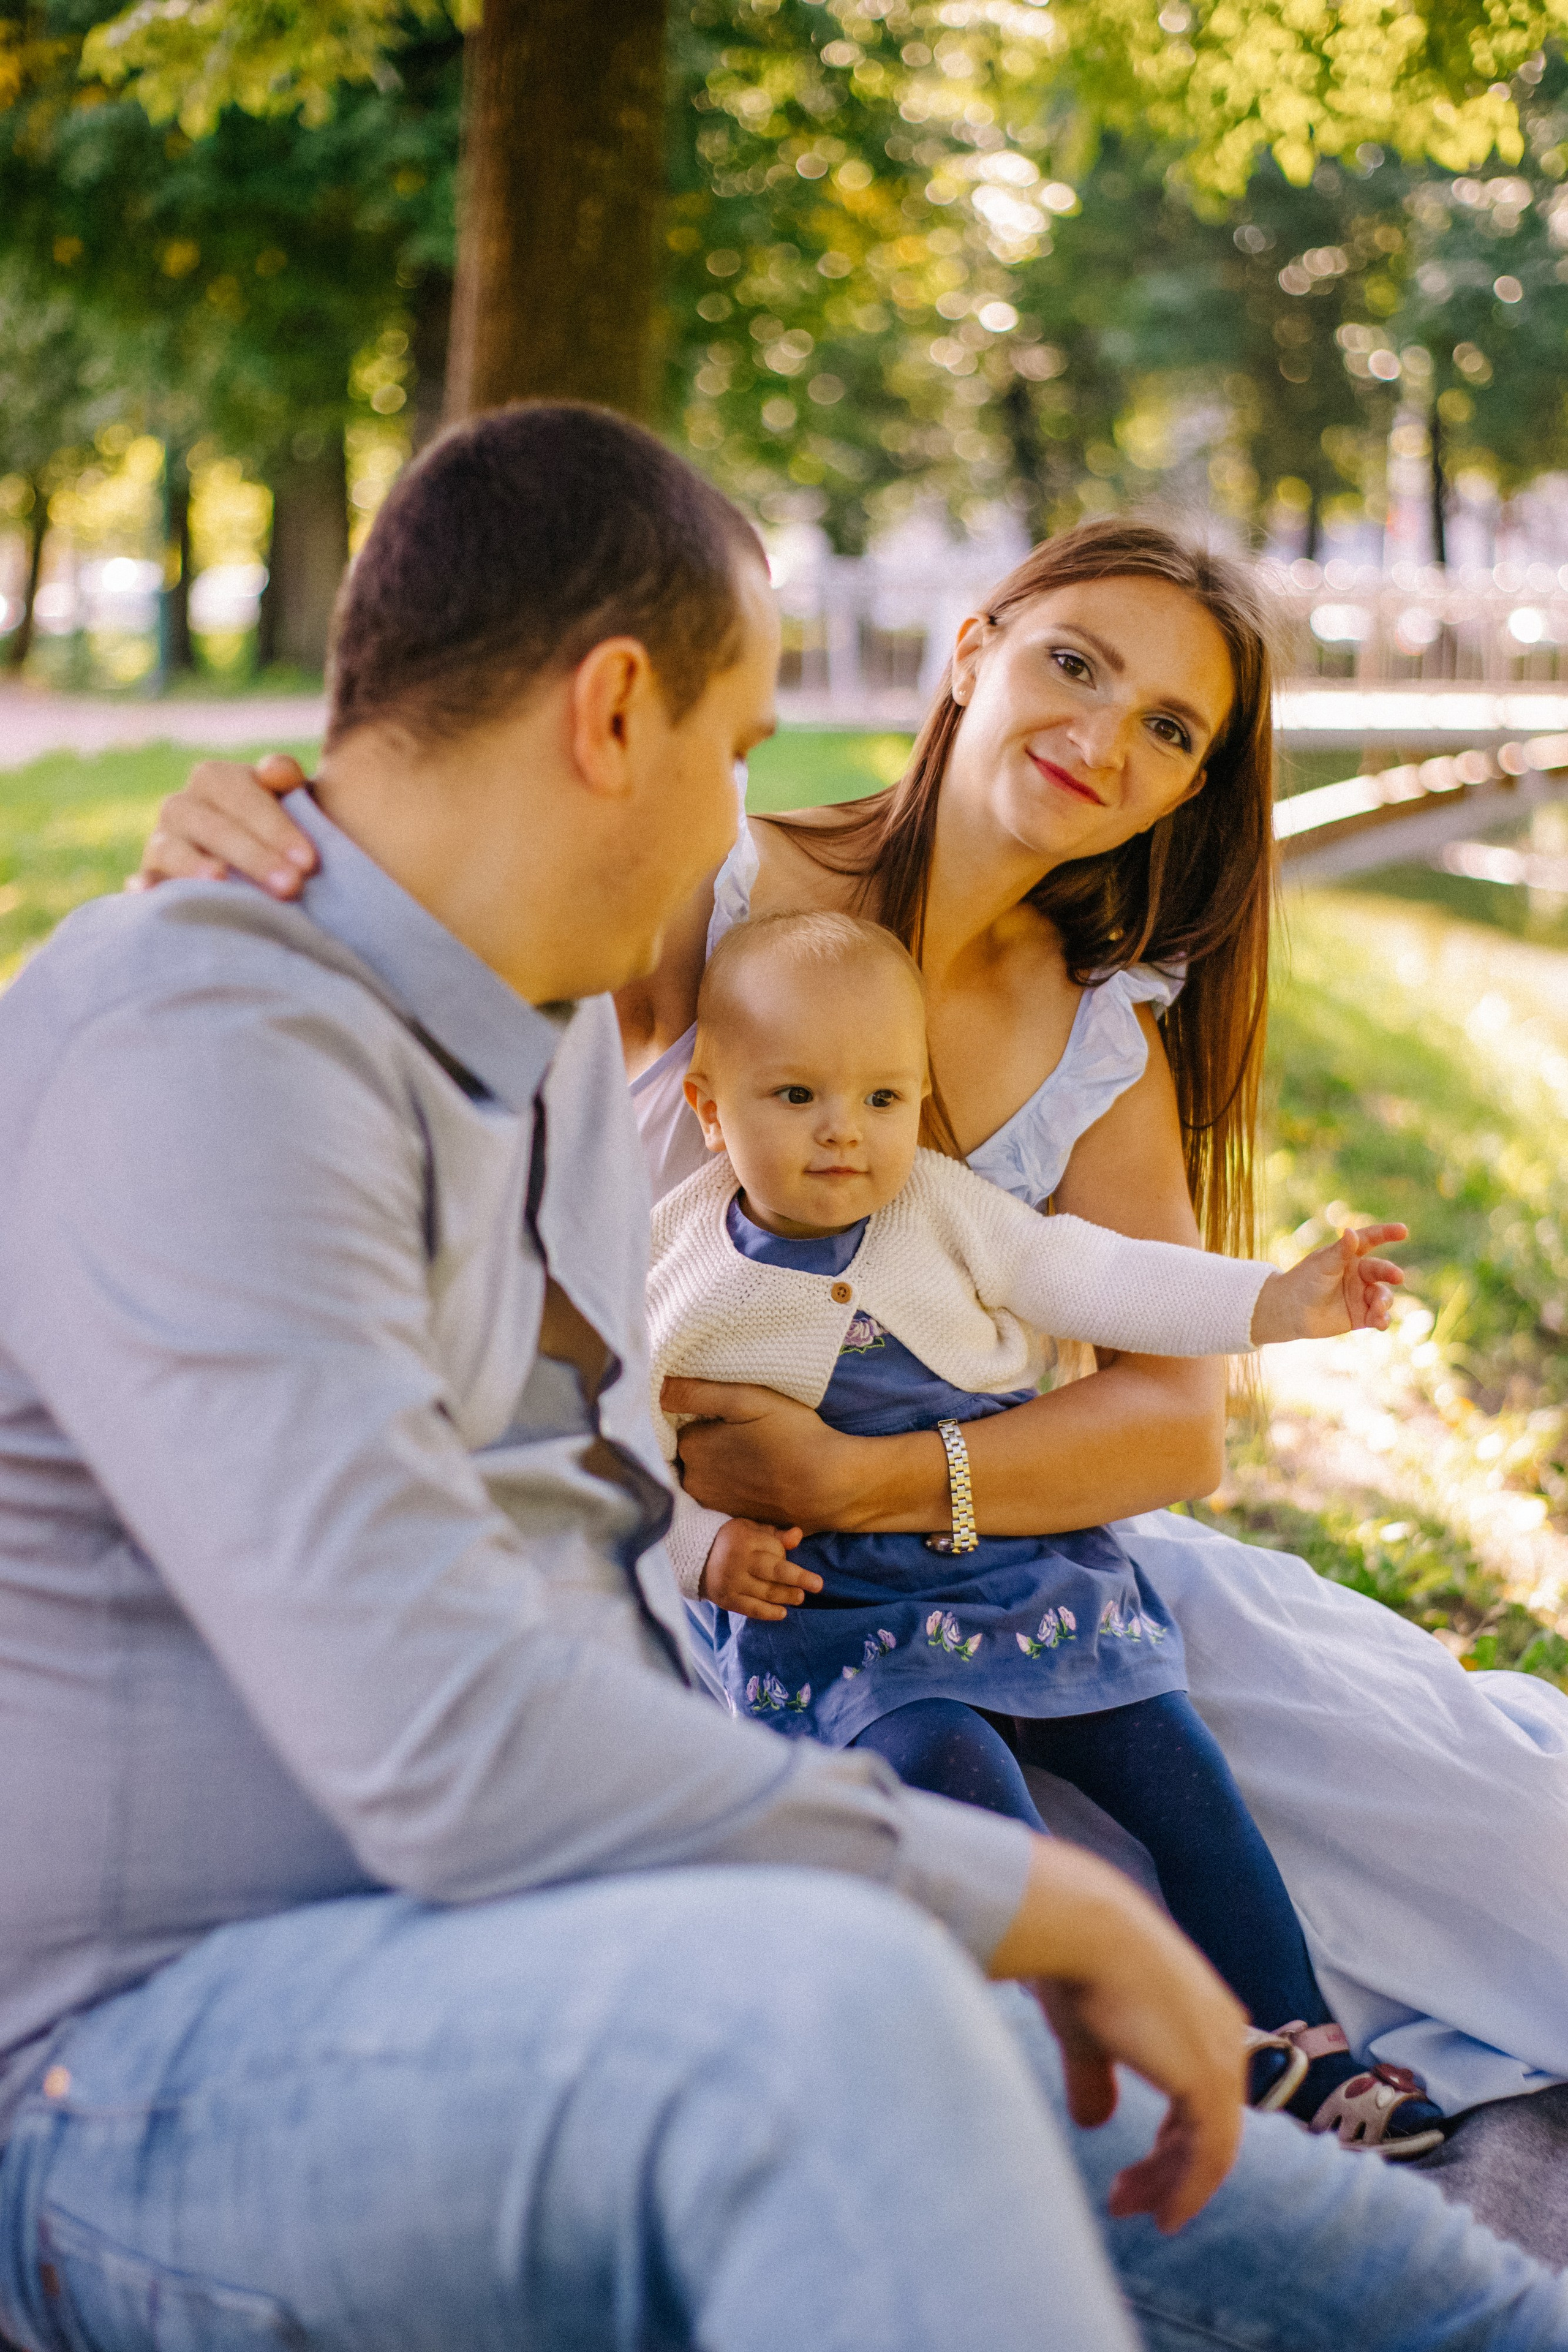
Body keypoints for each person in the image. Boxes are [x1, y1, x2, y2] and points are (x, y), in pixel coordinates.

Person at [6, 402, 1566, 2351]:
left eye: (1173, 726)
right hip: (153, 2058)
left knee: (1168, 2123)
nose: (738, 832)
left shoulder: (525, 1056)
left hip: (623, 1846)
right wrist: (1007, 1896)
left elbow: (610, 1530)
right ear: (617, 715)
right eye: (739, 750)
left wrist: (867, 1530)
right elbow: (455, 1734)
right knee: (864, 2008)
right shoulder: (223, 1044)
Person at [648, 902, 1444, 2156]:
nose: (843, 1132)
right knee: (950, 1776)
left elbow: (1098, 1274)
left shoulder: (941, 1209)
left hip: (1017, 1567)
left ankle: (1302, 2042)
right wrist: (703, 1549)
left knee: (1175, 1768)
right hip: (837, 1619)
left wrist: (1274, 1303)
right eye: (796, 1096)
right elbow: (623, 1460)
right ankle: (1127, 2044)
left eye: (882, 1098)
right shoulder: (679, 1277)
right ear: (709, 1106)